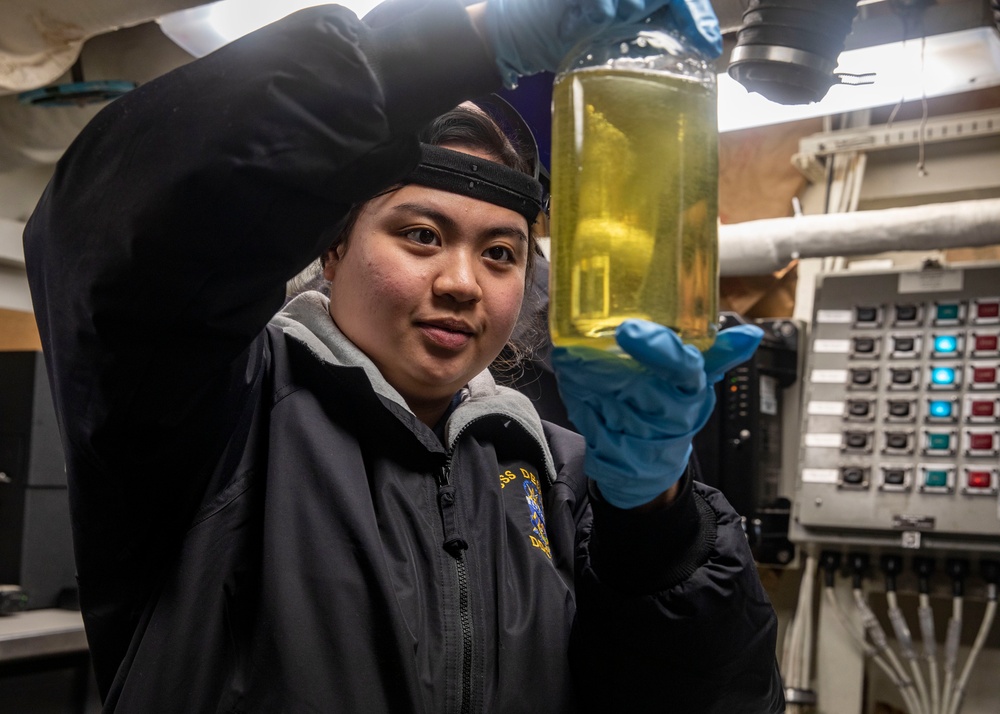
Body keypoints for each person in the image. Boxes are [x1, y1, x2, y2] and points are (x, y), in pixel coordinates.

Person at [23, 0, 785, 711]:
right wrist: (466, 39)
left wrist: (655, 517)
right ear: (333, 246)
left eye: (500, 252)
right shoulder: (211, 419)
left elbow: (701, 693)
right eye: (420, 235)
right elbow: (119, 226)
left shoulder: (561, 476)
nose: (461, 283)